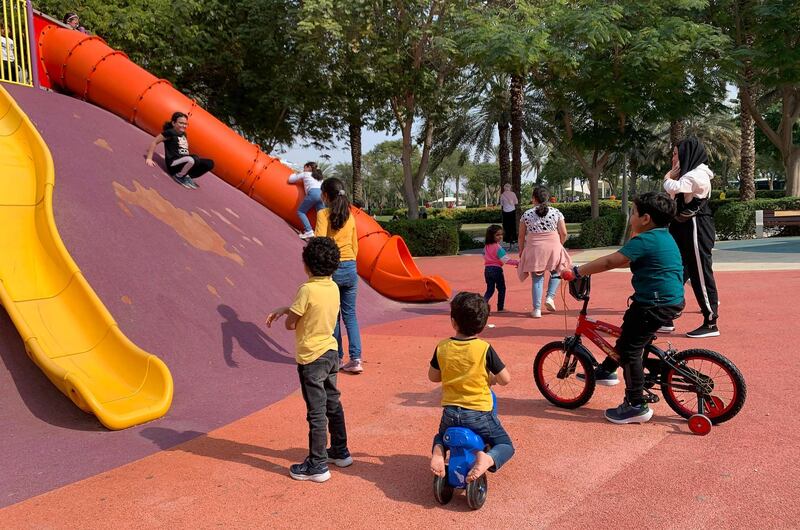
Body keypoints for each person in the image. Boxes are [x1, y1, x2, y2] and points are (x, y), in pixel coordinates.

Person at [571, 192, 685, 424]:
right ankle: (606, 369)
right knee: (628, 334)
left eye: (633, 212)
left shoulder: (645, 239)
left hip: (653, 304)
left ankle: (635, 404)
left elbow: (611, 261)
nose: (631, 216)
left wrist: (577, 272)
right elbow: (625, 260)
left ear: (645, 218)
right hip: (665, 300)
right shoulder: (662, 236)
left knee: (632, 350)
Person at [266, 237, 351, 482]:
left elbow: (292, 324)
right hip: (331, 352)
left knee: (316, 411)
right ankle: (340, 450)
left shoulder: (306, 289)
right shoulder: (333, 287)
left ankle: (317, 464)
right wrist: (287, 308)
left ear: (307, 265)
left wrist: (288, 315)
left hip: (311, 358)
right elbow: (311, 310)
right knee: (333, 402)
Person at [429, 292, 514, 482]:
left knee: (440, 436)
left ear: (453, 322)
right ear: (482, 325)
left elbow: (433, 376)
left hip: (450, 414)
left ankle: (439, 450)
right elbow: (505, 379)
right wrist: (492, 378)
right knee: (506, 445)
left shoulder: (442, 347)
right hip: (479, 415)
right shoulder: (484, 348)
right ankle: (487, 458)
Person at [663, 137, 720, 338]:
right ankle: (668, 313)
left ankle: (711, 321)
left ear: (687, 154)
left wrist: (668, 176)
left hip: (696, 226)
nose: (673, 158)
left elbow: (673, 188)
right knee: (675, 269)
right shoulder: (688, 175)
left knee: (700, 273)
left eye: (676, 153)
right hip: (682, 227)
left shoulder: (698, 174)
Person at [315, 178, 363, 374]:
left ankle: (337, 357)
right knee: (350, 316)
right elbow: (355, 245)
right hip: (351, 266)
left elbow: (319, 243)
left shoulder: (323, 214)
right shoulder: (350, 216)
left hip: (332, 268)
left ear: (325, 195)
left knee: (333, 318)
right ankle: (356, 358)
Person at [517, 186, 571, 318]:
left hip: (534, 248)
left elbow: (521, 236)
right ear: (547, 198)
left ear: (533, 199)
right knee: (557, 271)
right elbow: (563, 232)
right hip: (553, 245)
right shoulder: (556, 212)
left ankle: (536, 310)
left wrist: (521, 251)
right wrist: (559, 245)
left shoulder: (527, 214)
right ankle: (550, 297)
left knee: (537, 278)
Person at [145, 112, 215, 189]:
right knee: (193, 158)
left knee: (209, 163)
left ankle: (187, 176)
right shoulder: (170, 132)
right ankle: (178, 176)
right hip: (173, 165)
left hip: (184, 161)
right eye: (181, 123)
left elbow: (178, 149)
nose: (184, 126)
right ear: (174, 123)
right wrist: (149, 158)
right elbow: (155, 142)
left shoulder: (184, 134)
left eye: (185, 124)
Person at [482, 225, 518, 312]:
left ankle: (481, 306)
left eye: (501, 234)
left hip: (487, 270)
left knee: (490, 290)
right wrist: (518, 263)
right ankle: (500, 308)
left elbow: (484, 255)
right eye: (497, 235)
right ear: (491, 235)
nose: (500, 237)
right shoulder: (498, 248)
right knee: (501, 288)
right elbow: (506, 260)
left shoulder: (486, 246)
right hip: (496, 270)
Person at [288, 162, 325, 239]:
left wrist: (297, 173)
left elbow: (290, 180)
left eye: (304, 167)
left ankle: (309, 231)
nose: (303, 169)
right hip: (322, 196)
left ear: (308, 167)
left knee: (301, 212)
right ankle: (321, 235)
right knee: (321, 216)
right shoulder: (320, 178)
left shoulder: (305, 174)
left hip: (313, 193)